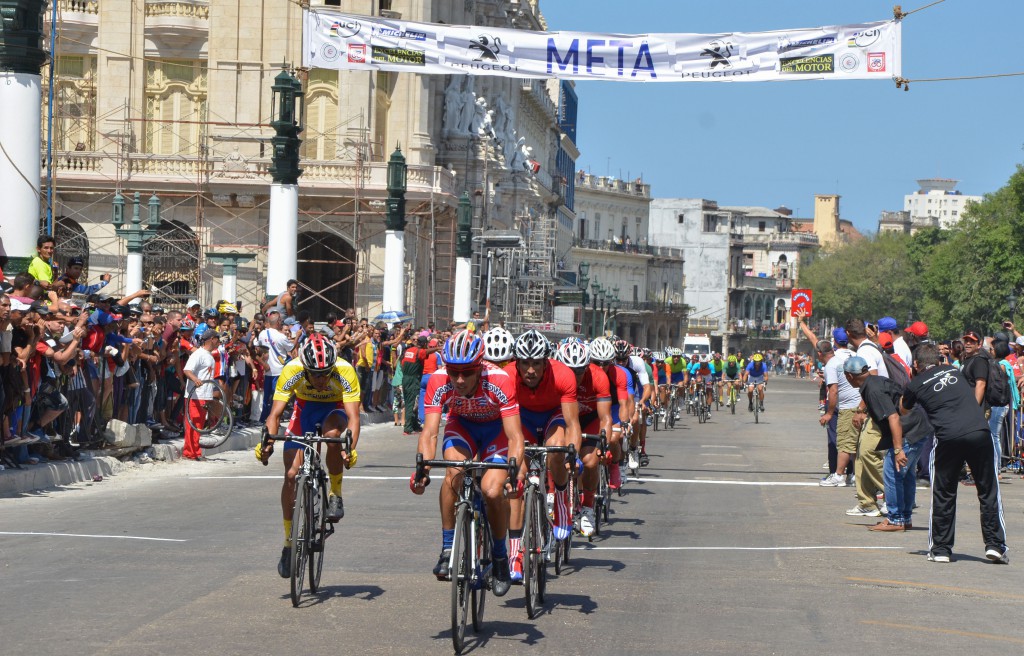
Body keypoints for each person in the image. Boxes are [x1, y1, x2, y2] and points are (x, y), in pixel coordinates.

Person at [410, 330, 526, 598]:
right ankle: (448, 548)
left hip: (496, 432)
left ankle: (499, 556)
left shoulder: (499, 379)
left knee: (492, 491)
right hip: (462, 428)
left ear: (479, 367)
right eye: (454, 372)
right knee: (454, 472)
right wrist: (423, 470)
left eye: (467, 373)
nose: (459, 380)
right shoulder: (439, 380)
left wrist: (513, 471)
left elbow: (515, 436)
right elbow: (429, 433)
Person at [256, 333, 361, 578]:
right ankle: (289, 541)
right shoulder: (291, 369)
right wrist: (267, 443)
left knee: (333, 435)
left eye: (326, 374)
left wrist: (350, 449)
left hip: (334, 409)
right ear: (305, 367)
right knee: (292, 474)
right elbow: (275, 415)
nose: (322, 379)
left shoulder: (344, 370)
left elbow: (354, 418)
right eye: (316, 374)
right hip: (304, 411)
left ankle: (335, 493)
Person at [900, 343, 1008, 563]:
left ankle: (941, 549)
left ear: (916, 364)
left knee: (944, 492)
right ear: (938, 360)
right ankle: (995, 545)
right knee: (988, 490)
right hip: (978, 430)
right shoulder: (952, 371)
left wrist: (913, 382)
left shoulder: (915, 384)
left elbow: (903, 408)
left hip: (948, 437)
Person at [503, 330, 580, 582]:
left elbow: (572, 423)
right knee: (517, 477)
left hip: (552, 416)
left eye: (536, 363)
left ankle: (560, 499)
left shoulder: (563, 375)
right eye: (525, 363)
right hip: (521, 418)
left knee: (556, 449)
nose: (531, 370)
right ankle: (515, 554)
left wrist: (573, 453)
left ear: (546, 362)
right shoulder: (507, 377)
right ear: (517, 362)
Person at [844, 356, 931, 531]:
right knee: (906, 476)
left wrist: (898, 449)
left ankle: (895, 519)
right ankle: (904, 518)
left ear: (849, 376)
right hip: (918, 426)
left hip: (908, 431)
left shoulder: (872, 389)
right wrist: (863, 410)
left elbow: (893, 417)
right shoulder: (875, 381)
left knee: (892, 472)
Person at [556, 339, 611, 538]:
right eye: (568, 370)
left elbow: (605, 417)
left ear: (587, 367)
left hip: (589, 420)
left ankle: (587, 507)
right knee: (554, 454)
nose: (573, 376)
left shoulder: (598, 377)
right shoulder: (553, 376)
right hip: (563, 419)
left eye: (578, 372)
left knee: (589, 462)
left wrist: (603, 444)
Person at [181, 330, 220, 461]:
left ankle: (196, 452)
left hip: (204, 395)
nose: (218, 342)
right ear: (212, 339)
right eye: (217, 339)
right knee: (193, 423)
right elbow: (187, 370)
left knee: (199, 425)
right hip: (195, 396)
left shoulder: (208, 355)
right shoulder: (198, 354)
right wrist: (195, 379)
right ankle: (190, 453)